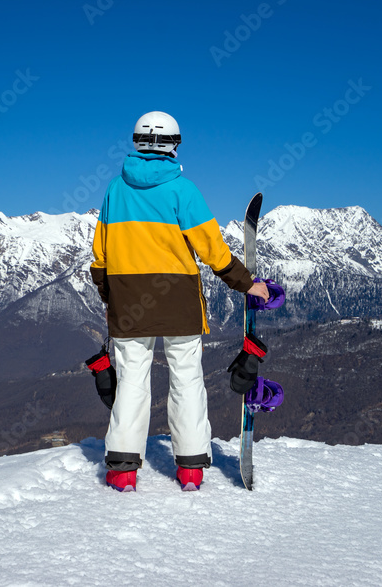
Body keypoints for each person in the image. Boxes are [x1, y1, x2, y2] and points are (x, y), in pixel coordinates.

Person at [90, 111, 269, 492]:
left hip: (128, 304)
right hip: (179, 303)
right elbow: (213, 250)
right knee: (186, 380)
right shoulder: (183, 191)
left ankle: (123, 471)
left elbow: (100, 256)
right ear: (174, 144)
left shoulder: (113, 191)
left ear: (135, 141)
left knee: (131, 384)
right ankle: (190, 469)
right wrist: (246, 284)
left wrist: (111, 298)